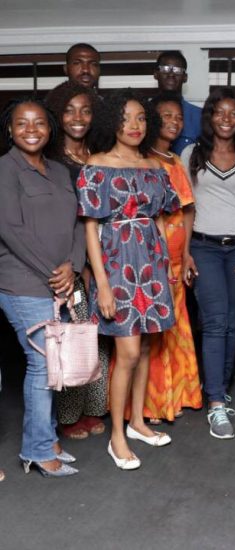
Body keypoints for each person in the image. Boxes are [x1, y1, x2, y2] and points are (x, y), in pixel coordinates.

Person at [78, 89, 180, 469]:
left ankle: (137, 422)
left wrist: (166, 266)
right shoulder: (97, 165)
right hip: (117, 265)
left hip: (151, 264)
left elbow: (158, 219)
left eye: (140, 117)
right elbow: (91, 229)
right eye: (124, 119)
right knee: (129, 353)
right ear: (111, 123)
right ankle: (117, 436)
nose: (133, 125)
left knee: (148, 347)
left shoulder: (155, 167)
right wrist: (102, 284)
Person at [0, 97, 86, 476]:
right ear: (10, 129)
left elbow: (78, 223)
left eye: (38, 123)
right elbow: (10, 230)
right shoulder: (5, 169)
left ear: (50, 129)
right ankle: (36, 450)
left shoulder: (60, 171)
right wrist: (56, 274)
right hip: (22, 282)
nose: (31, 130)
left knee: (53, 363)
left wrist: (74, 266)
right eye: (22, 123)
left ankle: (47, 439)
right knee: (43, 363)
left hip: (60, 279)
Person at [181, 87, 235, 439]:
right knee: (215, 322)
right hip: (204, 247)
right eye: (220, 112)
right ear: (210, 117)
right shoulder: (191, 154)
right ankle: (216, 402)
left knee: (232, 323)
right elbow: (186, 207)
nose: (226, 119)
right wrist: (184, 252)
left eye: (233, 113)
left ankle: (220, 386)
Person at [45, 81, 110, 440]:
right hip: (72, 260)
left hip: (108, 256)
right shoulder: (51, 161)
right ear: (57, 115)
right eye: (69, 110)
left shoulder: (101, 153)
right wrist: (78, 262)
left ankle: (94, 409)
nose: (78, 117)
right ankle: (69, 416)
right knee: (74, 336)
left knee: (101, 338)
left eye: (85, 110)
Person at [145, 92, 202, 422]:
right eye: (166, 115)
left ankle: (176, 397)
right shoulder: (144, 161)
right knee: (153, 332)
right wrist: (160, 259)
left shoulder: (176, 160)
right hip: (152, 261)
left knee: (175, 328)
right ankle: (151, 404)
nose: (174, 122)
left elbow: (188, 210)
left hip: (178, 258)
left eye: (178, 117)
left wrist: (187, 252)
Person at [154, 50, 202, 154]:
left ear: (185, 77)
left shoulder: (199, 116)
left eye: (177, 70)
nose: (171, 74)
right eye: (165, 68)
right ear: (156, 74)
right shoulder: (143, 111)